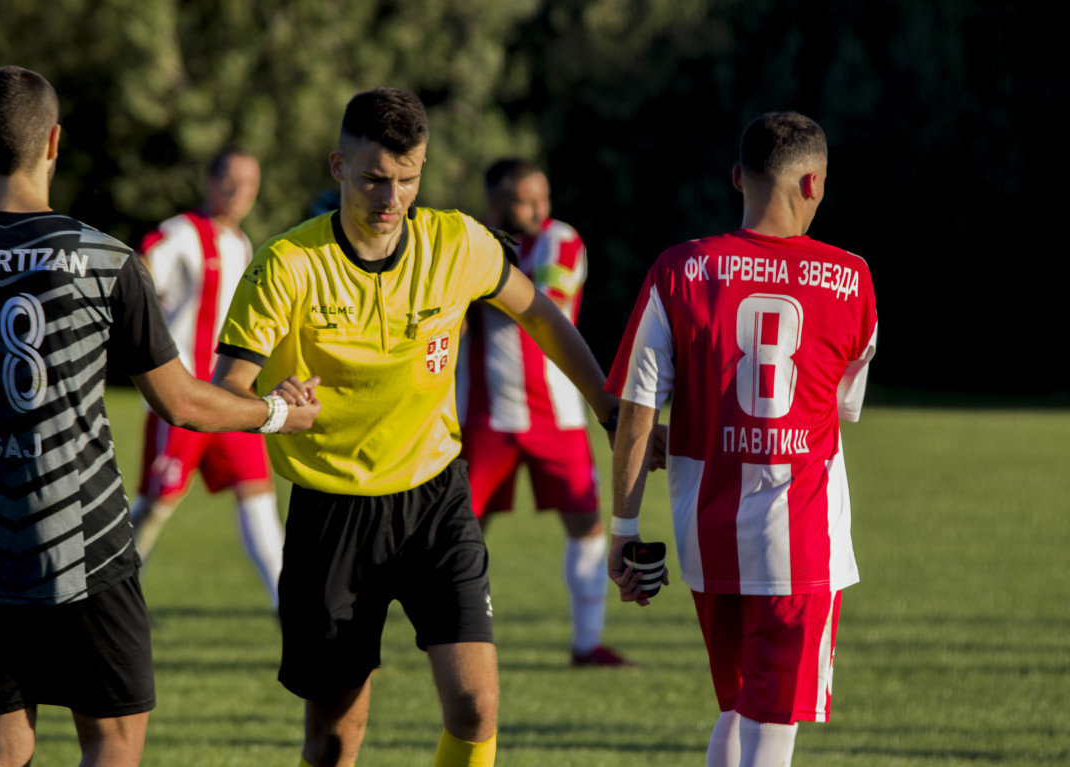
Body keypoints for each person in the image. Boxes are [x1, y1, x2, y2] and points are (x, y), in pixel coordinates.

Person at [0, 66, 320, 767]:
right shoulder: (105, 260)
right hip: (90, 547)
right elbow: (180, 401)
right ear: (54, 142)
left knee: (0, 746)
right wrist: (276, 413)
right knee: (111, 744)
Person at [214, 88, 620, 767]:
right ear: (338, 166)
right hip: (334, 514)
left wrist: (607, 408)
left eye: (408, 178)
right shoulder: (287, 264)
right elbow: (225, 386)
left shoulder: (456, 242)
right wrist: (273, 406)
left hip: (436, 500)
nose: (391, 197)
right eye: (375, 178)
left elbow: (540, 313)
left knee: (476, 707)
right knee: (335, 738)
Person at [606, 112, 877, 767]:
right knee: (772, 729)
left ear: (737, 178)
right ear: (813, 183)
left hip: (707, 532)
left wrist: (622, 528)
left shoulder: (679, 269)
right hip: (800, 538)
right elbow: (841, 405)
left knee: (735, 710)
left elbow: (637, 414)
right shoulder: (852, 279)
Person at [456, 158, 630, 668]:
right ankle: (452, 637)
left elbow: (540, 301)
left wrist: (468, 289)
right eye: (525, 200)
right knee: (460, 532)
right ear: (495, 204)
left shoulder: (562, 241)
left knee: (585, 526)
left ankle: (587, 643)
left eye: (543, 198)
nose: (539, 209)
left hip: (558, 417)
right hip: (483, 419)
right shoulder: (472, 241)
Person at [129, 146, 284, 610]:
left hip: (232, 398)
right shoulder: (181, 233)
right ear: (211, 183)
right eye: (231, 182)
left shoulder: (240, 243)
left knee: (259, 498)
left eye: (249, 184)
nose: (240, 193)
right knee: (155, 506)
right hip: (182, 398)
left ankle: (288, 609)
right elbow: (139, 269)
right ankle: (108, 597)